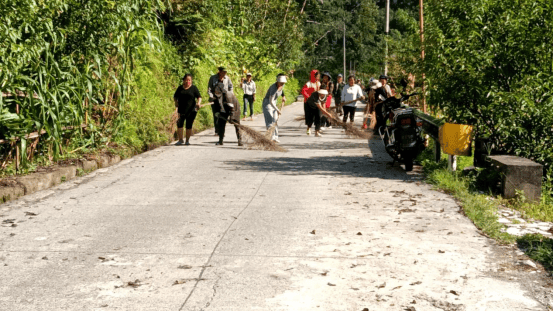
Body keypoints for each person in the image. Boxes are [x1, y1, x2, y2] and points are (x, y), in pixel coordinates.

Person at [173, 74, 202, 145]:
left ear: (191, 81)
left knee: (189, 125)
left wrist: (198, 103)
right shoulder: (180, 88)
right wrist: (176, 102)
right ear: (183, 80)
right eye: (186, 79)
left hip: (191, 111)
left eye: (189, 80)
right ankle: (180, 140)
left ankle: (187, 140)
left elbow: (199, 97)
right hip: (181, 110)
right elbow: (175, 96)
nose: (188, 81)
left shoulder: (194, 88)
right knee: (179, 124)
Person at [207, 67, 233, 136]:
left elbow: (231, 87)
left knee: (223, 115)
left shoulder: (227, 78)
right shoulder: (213, 78)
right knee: (216, 115)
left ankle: (221, 131)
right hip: (215, 99)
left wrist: (229, 94)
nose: (224, 74)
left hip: (224, 100)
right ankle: (217, 131)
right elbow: (209, 89)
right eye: (223, 72)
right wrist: (211, 96)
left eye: (225, 72)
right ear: (219, 72)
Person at [262, 74, 287, 142]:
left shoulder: (282, 85)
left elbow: (281, 91)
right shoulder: (273, 88)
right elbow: (271, 101)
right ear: (277, 81)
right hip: (268, 104)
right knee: (270, 122)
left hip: (274, 103)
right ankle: (271, 137)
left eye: (283, 83)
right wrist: (277, 109)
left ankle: (275, 137)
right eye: (281, 83)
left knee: (275, 121)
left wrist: (283, 96)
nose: (282, 85)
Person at [301, 70, 321, 135]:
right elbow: (303, 91)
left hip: (316, 103)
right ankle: (309, 128)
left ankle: (317, 131)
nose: (318, 77)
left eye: (318, 76)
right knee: (309, 116)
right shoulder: (308, 84)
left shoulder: (319, 83)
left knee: (318, 116)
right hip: (308, 103)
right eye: (316, 76)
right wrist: (308, 97)